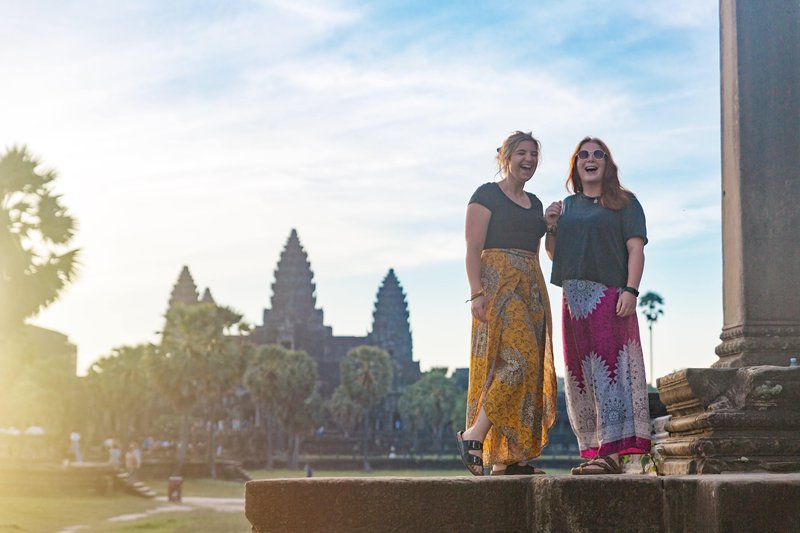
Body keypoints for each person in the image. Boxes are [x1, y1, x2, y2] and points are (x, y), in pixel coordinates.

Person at [544, 136, 651, 475]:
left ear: (607, 164)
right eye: (583, 155)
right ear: (576, 165)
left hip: (609, 297)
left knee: (610, 373)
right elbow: (555, 254)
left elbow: (636, 249)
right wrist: (550, 227)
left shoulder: (625, 202)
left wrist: (631, 291)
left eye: (598, 154)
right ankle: (595, 452)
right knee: (580, 376)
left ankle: (613, 454)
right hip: (572, 301)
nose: (590, 159)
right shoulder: (568, 207)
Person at [456, 130, 558, 476]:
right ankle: (474, 434)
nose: (528, 160)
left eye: (534, 155)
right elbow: (472, 248)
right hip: (498, 287)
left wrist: (551, 228)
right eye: (522, 154)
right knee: (516, 361)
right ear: (507, 158)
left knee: (526, 369)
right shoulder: (486, 194)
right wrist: (476, 292)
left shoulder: (536, 206)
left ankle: (509, 458)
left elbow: (545, 253)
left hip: (531, 287)